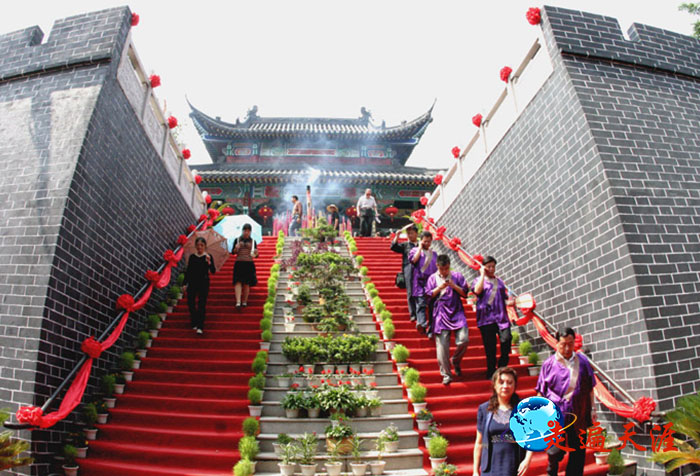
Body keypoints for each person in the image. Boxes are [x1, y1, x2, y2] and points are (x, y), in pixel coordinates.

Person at [536, 327, 597, 476]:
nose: (567, 348)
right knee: (555, 450)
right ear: (557, 343)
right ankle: (552, 469)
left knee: (578, 451)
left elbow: (590, 387)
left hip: (579, 412)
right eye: (563, 344)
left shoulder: (582, 361)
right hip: (556, 414)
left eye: (571, 343)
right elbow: (541, 391)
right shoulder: (548, 364)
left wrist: (593, 408)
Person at [473, 367, 533, 476]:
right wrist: (475, 471)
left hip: (513, 465)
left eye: (509, 383)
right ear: (494, 385)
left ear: (515, 386)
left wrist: (527, 460)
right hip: (490, 466)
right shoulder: (484, 409)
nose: (505, 386)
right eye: (501, 382)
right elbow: (479, 442)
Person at [426, 254, 469, 385]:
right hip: (440, 312)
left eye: (446, 269)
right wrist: (440, 288)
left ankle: (455, 360)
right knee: (442, 347)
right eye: (442, 269)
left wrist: (453, 286)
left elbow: (465, 293)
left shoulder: (457, 276)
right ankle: (446, 374)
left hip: (457, 310)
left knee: (463, 340)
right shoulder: (432, 278)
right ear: (437, 266)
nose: (444, 272)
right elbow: (428, 295)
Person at [472, 256, 513, 380]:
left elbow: (504, 298)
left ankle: (502, 366)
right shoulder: (478, 280)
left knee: (506, 339)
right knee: (490, 346)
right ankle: (491, 371)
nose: (491, 269)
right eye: (488, 266)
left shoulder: (499, 282)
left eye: (493, 266)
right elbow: (477, 291)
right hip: (486, 318)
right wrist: (482, 275)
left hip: (501, 317)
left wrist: (510, 303)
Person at [183, 237, 216, 335]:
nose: (200, 247)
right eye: (198, 245)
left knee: (202, 304)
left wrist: (209, 262)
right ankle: (194, 321)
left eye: (202, 245)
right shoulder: (192, 257)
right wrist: (185, 283)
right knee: (191, 303)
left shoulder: (208, 256)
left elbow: (213, 271)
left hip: (204, 283)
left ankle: (200, 326)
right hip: (193, 282)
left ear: (205, 246)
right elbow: (188, 271)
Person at [408, 231, 437, 336]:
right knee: (421, 303)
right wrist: (419, 247)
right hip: (419, 282)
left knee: (432, 306)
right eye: (425, 241)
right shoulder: (414, 250)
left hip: (431, 283)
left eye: (429, 241)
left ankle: (431, 329)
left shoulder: (434, 254)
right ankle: (422, 324)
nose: (427, 243)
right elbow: (414, 260)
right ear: (421, 240)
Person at [390, 224, 419, 322]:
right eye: (408, 234)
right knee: (410, 292)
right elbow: (393, 247)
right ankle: (413, 314)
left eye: (412, 233)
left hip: (421, 270)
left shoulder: (421, 244)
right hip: (409, 269)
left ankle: (421, 312)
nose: (410, 235)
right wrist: (397, 236)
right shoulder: (405, 245)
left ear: (416, 234)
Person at [232, 223, 259, 309]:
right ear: (242, 230)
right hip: (239, 263)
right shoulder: (237, 240)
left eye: (248, 230)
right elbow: (233, 252)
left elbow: (256, 255)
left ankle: (244, 301)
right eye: (245, 230)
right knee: (238, 282)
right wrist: (236, 248)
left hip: (248, 263)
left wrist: (256, 253)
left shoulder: (253, 241)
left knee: (247, 283)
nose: (246, 232)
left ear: (250, 232)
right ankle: (238, 302)